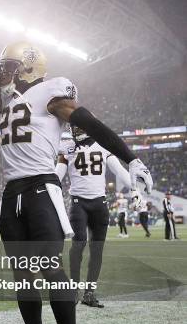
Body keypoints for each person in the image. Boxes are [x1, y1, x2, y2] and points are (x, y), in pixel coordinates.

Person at [0, 41, 152, 324]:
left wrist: (129, 157)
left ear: (28, 67)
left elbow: (87, 120)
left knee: (52, 270)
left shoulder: (50, 91)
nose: (3, 73)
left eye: (10, 67)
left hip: (42, 189)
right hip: (12, 194)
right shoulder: (8, 100)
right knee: (23, 275)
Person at [56, 127, 137, 308]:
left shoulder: (103, 145)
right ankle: (74, 289)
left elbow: (119, 170)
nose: (74, 131)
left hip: (99, 203)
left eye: (78, 127)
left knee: (97, 249)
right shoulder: (67, 146)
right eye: (73, 127)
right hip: (79, 202)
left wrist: (134, 188)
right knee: (78, 244)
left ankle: (89, 293)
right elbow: (57, 175)